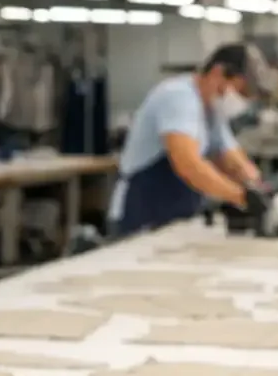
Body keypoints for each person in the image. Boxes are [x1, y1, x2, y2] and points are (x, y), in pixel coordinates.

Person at [109, 42, 264, 236]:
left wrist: (257, 186)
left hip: (172, 216)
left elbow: (232, 157)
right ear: (218, 73)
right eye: (240, 92)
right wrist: (241, 196)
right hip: (141, 214)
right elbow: (188, 164)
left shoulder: (211, 109)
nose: (240, 101)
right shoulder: (179, 97)